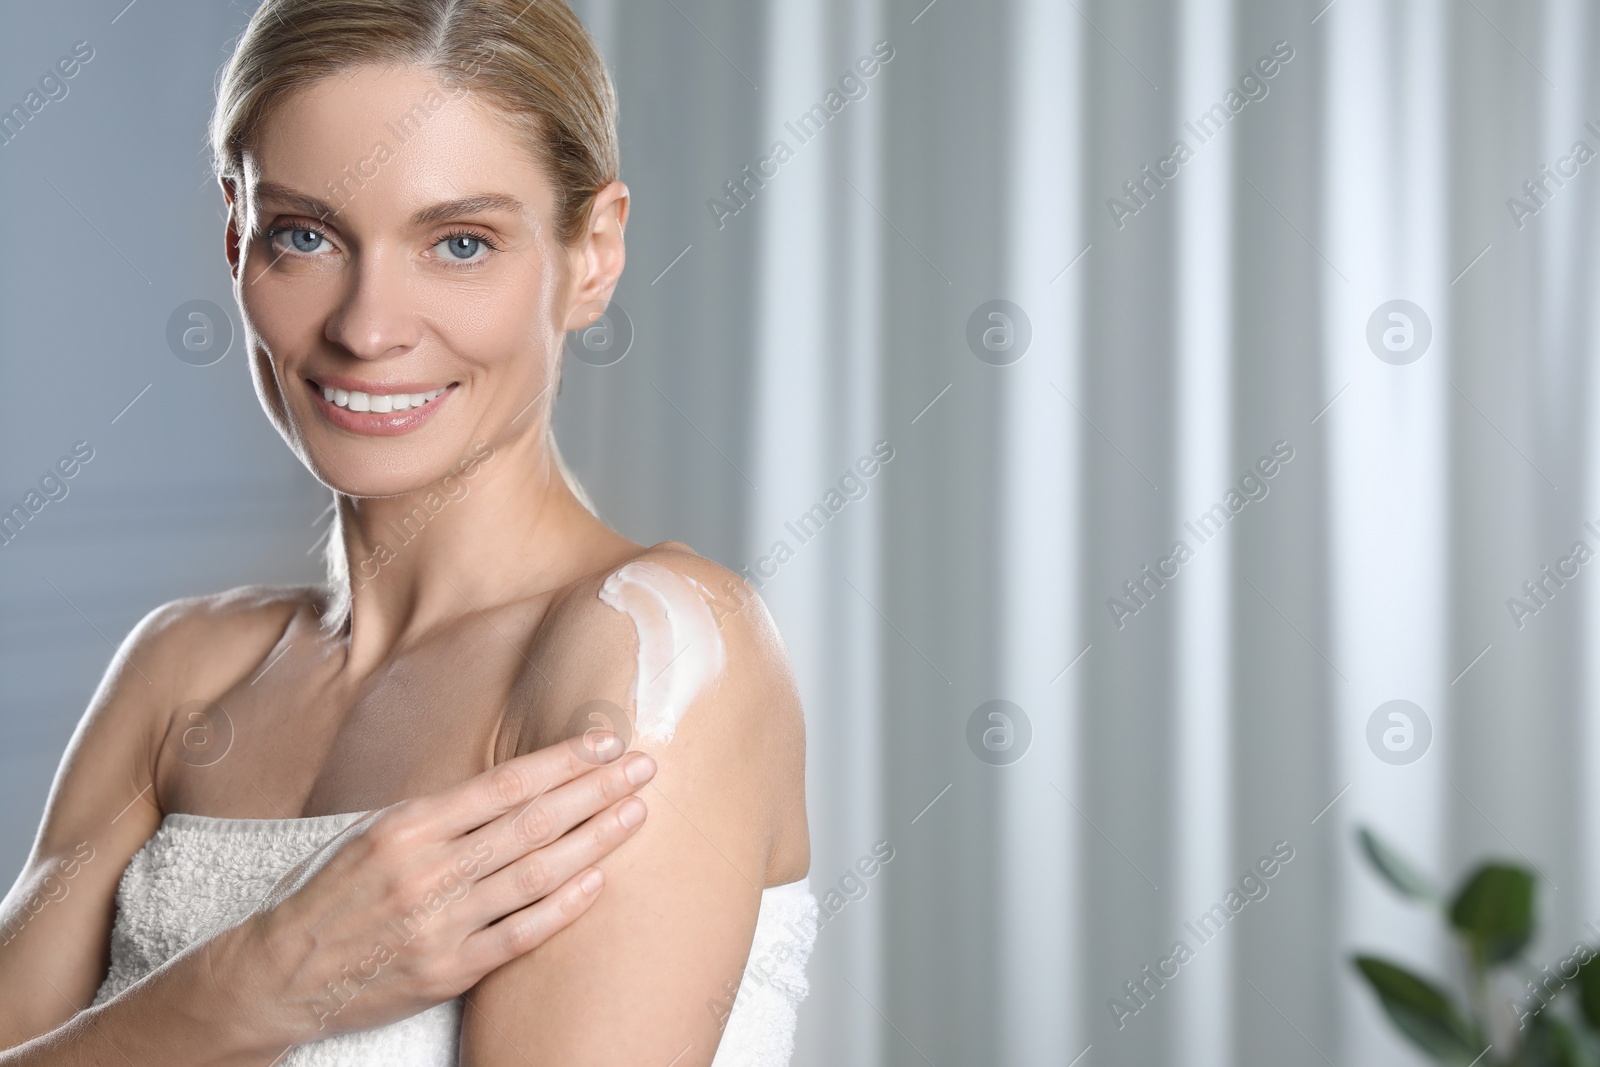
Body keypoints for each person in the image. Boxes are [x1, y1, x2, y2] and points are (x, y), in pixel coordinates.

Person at [0, 1, 813, 1063]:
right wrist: (253, 982)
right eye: (306, 235)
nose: (366, 326)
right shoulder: (179, 671)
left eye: (460, 242)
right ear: (237, 239)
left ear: (594, 253)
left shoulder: (654, 648)